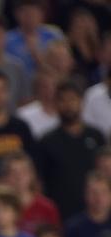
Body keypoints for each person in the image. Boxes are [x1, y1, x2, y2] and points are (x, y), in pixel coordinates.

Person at [35, 80, 104, 222]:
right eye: (62, 100)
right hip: (60, 214)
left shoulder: (96, 137)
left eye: (73, 99)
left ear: (82, 102)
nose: (68, 105)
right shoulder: (47, 141)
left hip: (96, 212)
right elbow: (39, 181)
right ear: (55, 104)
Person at [63, 173, 111, 237]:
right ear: (86, 195)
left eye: (104, 192)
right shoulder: (73, 227)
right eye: (94, 193)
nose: (99, 198)